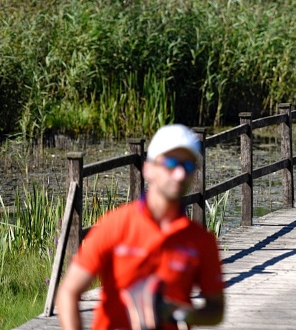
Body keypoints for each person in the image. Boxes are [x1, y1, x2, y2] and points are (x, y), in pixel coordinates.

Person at [56, 124, 225, 329]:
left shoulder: (201, 241)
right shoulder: (115, 225)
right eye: (171, 163)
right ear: (148, 169)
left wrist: (179, 313)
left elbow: (216, 310)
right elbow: (68, 292)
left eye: (188, 166)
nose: (179, 174)